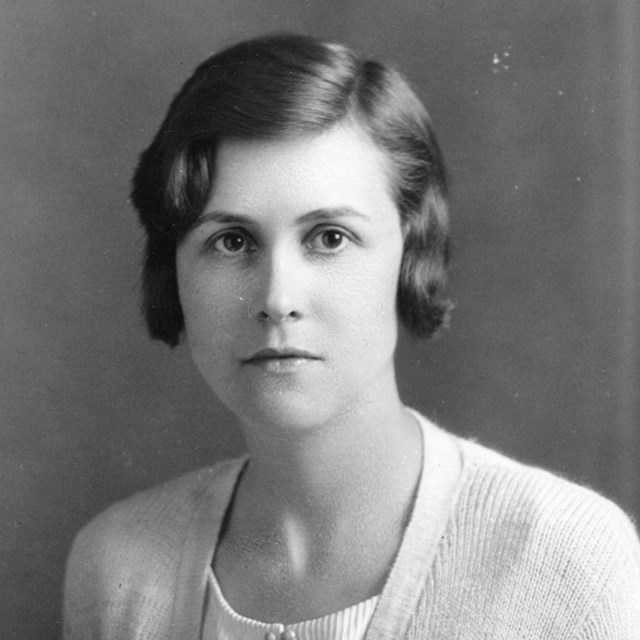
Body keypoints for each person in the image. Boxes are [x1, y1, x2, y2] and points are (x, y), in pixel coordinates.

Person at [63, 34, 640, 640]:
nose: (277, 299)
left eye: (330, 238)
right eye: (232, 241)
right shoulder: (114, 567)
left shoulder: (567, 562)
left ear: (410, 251)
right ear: (173, 270)